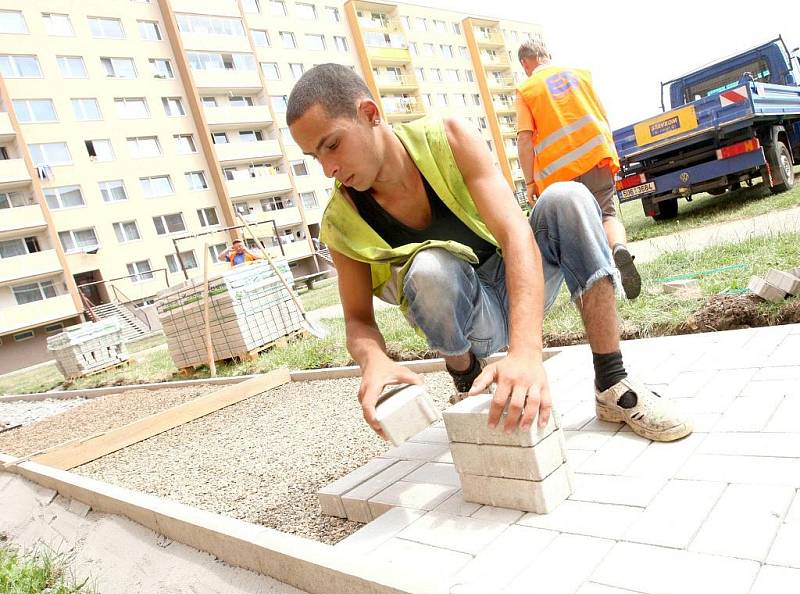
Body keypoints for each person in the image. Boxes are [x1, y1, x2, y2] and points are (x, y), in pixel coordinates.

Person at [287, 63, 692, 443]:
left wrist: (526, 353)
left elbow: (517, 236)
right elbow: (357, 320)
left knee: (569, 197)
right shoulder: (342, 220)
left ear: (370, 113)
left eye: (333, 145)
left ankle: (612, 383)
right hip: (470, 319)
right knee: (428, 269)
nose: (328, 169)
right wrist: (371, 358)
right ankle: (468, 381)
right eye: (315, 157)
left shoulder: (447, 139)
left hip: (520, 285)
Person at [515, 39, 642, 300]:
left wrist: (529, 183)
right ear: (547, 55)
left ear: (525, 63)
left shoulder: (527, 89)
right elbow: (603, 117)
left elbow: (525, 139)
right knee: (607, 215)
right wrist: (610, 154)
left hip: (560, 179)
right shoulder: (581, 75)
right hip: (596, 158)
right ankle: (619, 248)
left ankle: (595, 287)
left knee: (575, 233)